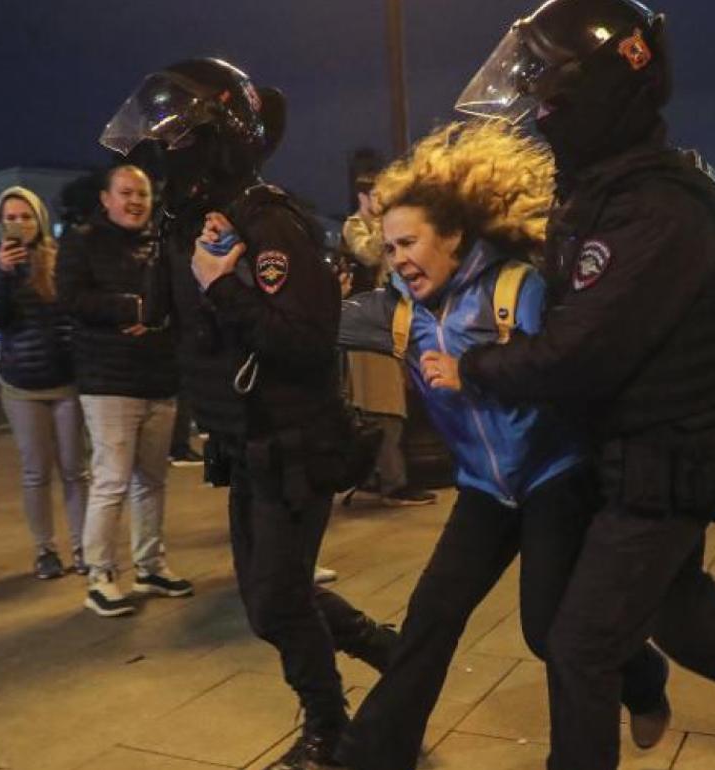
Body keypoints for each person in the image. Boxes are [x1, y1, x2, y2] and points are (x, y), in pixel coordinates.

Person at [433, 3, 715, 768]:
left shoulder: (656, 207)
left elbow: (576, 354)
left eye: (548, 93)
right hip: (629, 460)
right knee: (678, 612)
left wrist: (474, 367)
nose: (539, 112)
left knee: (580, 646)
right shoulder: (608, 191)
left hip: (668, 461)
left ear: (596, 88)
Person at [335, 121, 670, 770]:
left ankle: (643, 676)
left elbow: (572, 373)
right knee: (432, 614)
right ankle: (372, 754)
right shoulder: (401, 310)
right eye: (391, 245)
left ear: (454, 237)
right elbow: (314, 324)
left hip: (554, 478)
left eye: (411, 243)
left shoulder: (518, 288)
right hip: (486, 489)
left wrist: (479, 367)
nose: (399, 257)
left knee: (549, 630)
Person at [102, 59, 395, 769]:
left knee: (276, 601)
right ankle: (394, 651)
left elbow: (300, 341)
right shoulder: (189, 225)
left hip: (297, 440)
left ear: (217, 136)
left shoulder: (269, 222)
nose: (164, 153)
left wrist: (223, 285)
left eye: (177, 136)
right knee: (271, 600)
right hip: (245, 443)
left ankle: (332, 729)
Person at [57, 164, 191, 615]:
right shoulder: (82, 241)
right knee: (112, 480)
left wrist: (160, 317)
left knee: (152, 480)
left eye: (143, 194)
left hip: (158, 375)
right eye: (126, 193)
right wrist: (130, 308)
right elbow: (71, 299)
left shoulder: (161, 243)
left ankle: (150, 565)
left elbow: (180, 302)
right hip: (109, 380)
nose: (135, 201)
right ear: (106, 199)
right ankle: (99, 574)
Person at [0, 187, 88, 579]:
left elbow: (76, 312)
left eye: (26, 216)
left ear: (39, 218)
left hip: (66, 381)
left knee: (75, 470)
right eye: (11, 217)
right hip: (22, 383)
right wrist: (3, 276)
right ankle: (45, 550)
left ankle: (82, 547)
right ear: (1, 222)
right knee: (35, 471)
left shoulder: (61, 259)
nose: (19, 223)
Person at [340, 174, 435, 507]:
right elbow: (367, 254)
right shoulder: (355, 225)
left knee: (386, 406)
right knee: (383, 407)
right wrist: (385, 223)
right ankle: (392, 484)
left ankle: (376, 479)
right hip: (369, 325)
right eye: (376, 195)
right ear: (364, 197)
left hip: (393, 321)